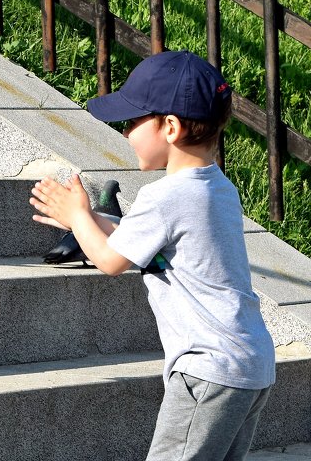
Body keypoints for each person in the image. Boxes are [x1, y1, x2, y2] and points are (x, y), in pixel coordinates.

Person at [29, 50, 275, 461]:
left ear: (171, 127)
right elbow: (147, 248)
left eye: (131, 123)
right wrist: (84, 221)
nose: (125, 135)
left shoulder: (164, 196)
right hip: (248, 364)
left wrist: (78, 216)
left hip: (206, 370)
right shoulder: (216, 188)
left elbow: (110, 261)